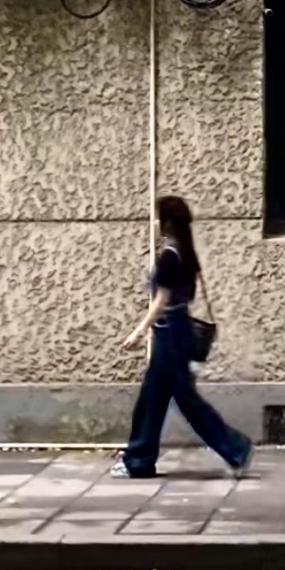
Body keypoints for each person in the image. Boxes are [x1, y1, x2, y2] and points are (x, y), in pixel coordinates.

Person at [112, 194, 253, 480]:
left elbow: (161, 300)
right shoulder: (185, 252)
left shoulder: (170, 255)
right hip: (176, 329)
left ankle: (235, 448)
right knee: (155, 398)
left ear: (165, 222)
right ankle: (139, 460)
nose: (153, 224)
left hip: (169, 333)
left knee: (180, 400)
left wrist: (139, 331)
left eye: (156, 218)